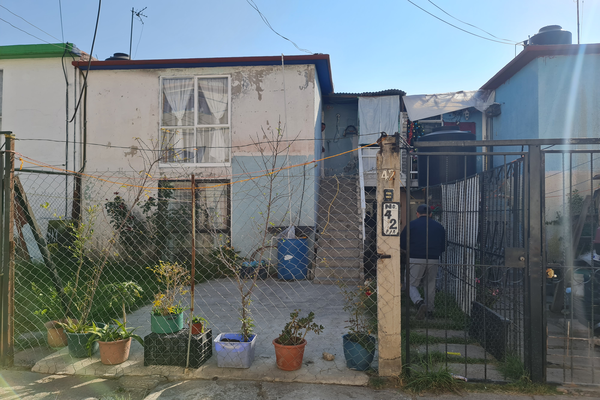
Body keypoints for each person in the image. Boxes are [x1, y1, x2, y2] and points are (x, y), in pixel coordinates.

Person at [400, 204, 446, 320]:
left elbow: (402, 242)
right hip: (433, 258)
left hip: (415, 257)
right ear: (431, 214)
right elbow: (444, 246)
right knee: (430, 285)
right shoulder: (439, 226)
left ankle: (419, 302)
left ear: (417, 214)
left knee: (410, 283)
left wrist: (409, 251)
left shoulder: (411, 225)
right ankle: (429, 311)